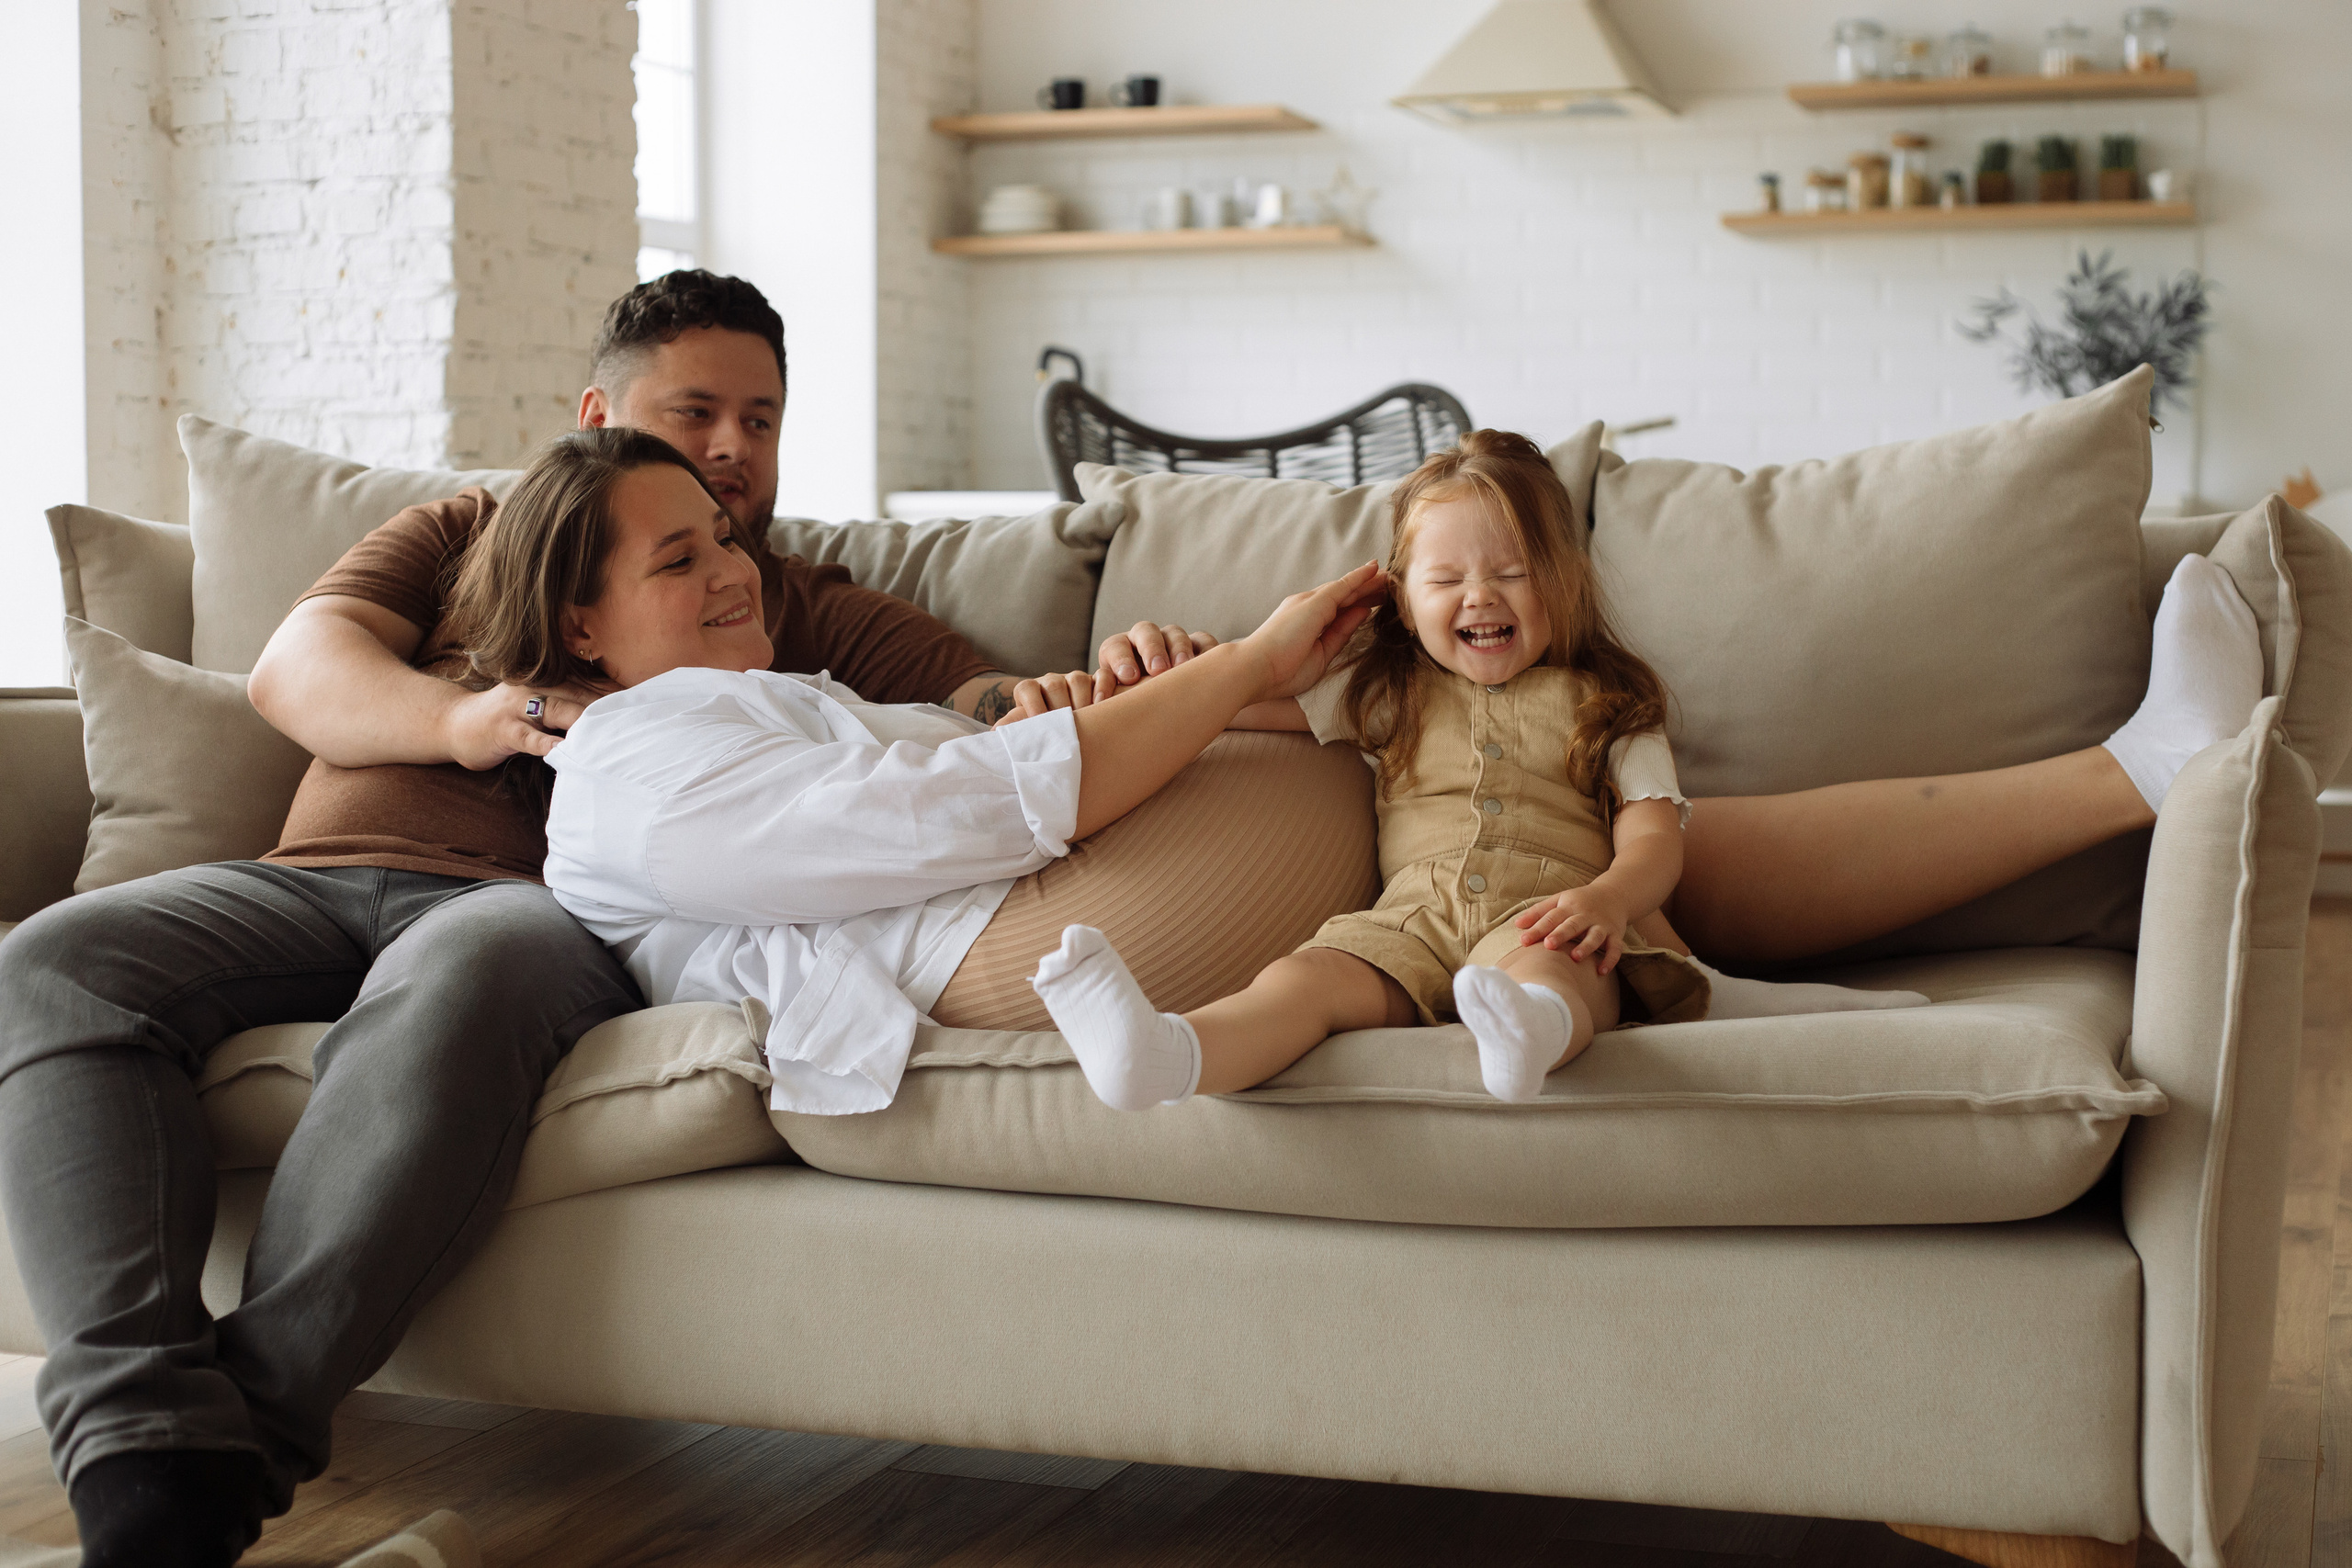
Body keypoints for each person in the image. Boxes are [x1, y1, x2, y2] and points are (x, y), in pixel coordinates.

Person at [0, 270, 1199, 1566]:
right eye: (696, 411)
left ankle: (213, 1462)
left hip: (525, 913)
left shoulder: (780, 596)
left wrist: (1093, 687)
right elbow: (296, 670)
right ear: (598, 414)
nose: (733, 446)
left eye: (761, 418)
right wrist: (483, 718)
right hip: (315, 873)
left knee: (459, 984)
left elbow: (984, 701)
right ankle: (142, 1442)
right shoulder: (464, 528)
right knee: (56, 959)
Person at [463, 427, 1386, 1112]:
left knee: (1357, 734)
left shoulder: (780, 700)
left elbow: (965, 783)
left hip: (1012, 911)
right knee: (1345, 746)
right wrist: (1236, 673)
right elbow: (930, 819)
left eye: (725, 539)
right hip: (973, 960)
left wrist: (1136, 697)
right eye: (678, 560)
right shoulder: (620, 770)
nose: (732, 572)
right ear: (579, 625)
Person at [1029, 433, 1927, 1111]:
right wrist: (1141, 684)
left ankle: (1526, 1036)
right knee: (1300, 984)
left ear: (1563, 581)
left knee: (1554, 974)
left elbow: (1655, 838)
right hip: (1406, 925)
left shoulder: (1611, 704)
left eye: (1511, 571)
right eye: (1446, 579)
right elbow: (1238, 703)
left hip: (1549, 918)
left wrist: (1607, 901)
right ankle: (1164, 1055)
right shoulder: (1383, 694)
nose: (1481, 595)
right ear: (1400, 597)